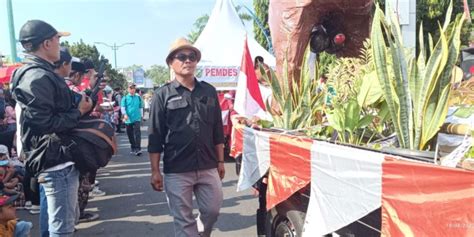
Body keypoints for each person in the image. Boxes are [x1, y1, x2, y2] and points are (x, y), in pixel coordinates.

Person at [11, 20, 93, 236]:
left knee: (55, 224)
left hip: (54, 158)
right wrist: (79, 112)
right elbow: (45, 124)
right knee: (62, 228)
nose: (60, 44)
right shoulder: (36, 76)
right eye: (58, 39)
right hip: (55, 161)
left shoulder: (38, 73)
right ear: (46, 43)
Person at [148, 38, 225, 237]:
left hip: (208, 165)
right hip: (177, 169)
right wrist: (155, 171)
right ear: (171, 63)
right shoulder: (162, 95)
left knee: (212, 210)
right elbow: (155, 136)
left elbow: (217, 128)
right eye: (181, 57)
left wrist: (221, 160)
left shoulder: (208, 91)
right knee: (183, 220)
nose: (187, 61)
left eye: (192, 57)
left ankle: (200, 233)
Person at [121, 82, 143, 156]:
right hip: (128, 119)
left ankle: (138, 148)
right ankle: (133, 147)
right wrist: (124, 114)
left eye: (133, 88)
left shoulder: (138, 97)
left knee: (137, 133)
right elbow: (123, 108)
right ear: (128, 89)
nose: (132, 90)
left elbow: (140, 107)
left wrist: (141, 116)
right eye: (131, 88)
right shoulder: (125, 98)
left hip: (137, 118)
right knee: (130, 134)